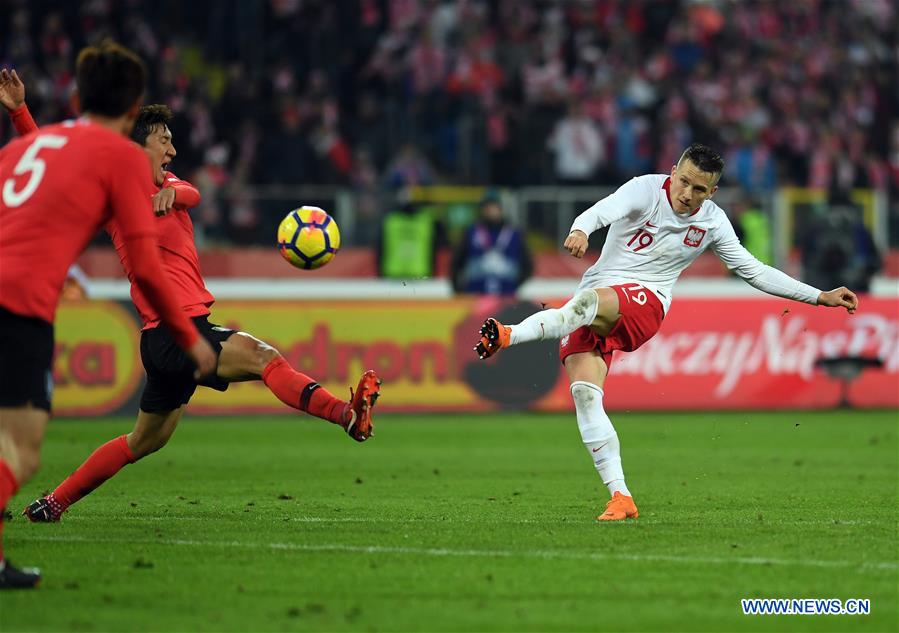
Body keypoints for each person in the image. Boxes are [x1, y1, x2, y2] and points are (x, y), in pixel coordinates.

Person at [0, 73, 382, 530]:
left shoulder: (170, 183)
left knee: (144, 441)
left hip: (164, 339)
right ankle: (346, 416)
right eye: (164, 141)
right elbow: (55, 168)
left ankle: (53, 503)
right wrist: (20, 112)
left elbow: (193, 193)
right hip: (174, 330)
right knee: (264, 358)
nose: (173, 149)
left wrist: (172, 192)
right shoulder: (111, 196)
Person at [474, 143, 858, 522]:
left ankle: (507, 336)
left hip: (647, 304)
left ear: (713, 192)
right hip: (598, 301)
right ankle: (620, 496)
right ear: (673, 171)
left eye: (700, 190)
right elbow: (605, 209)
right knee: (585, 395)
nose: (688, 195)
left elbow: (753, 270)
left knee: (586, 301)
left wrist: (819, 296)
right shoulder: (644, 189)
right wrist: (580, 229)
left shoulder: (712, 222)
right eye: (684, 182)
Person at [0, 42, 218, 589]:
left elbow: (50, 158)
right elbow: (145, 268)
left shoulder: (34, 147)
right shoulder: (118, 157)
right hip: (18, 302)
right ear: (131, 109)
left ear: (76, 95)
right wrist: (189, 339)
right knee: (19, 451)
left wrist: (21, 114)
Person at [451, 191, 533, 295]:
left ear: (501, 209)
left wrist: (515, 285)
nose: (490, 210)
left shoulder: (515, 234)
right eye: (487, 207)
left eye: (494, 206)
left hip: (506, 297)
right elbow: (456, 263)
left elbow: (528, 265)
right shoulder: (470, 233)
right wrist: (458, 289)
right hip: (474, 297)